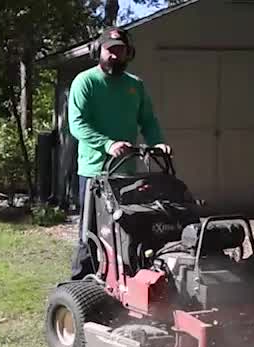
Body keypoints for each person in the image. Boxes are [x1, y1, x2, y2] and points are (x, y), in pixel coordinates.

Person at [67, 26, 171, 280]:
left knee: (131, 228)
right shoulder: (85, 81)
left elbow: (148, 120)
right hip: (95, 171)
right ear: (98, 51)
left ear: (128, 53)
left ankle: (127, 282)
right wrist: (107, 144)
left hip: (127, 172)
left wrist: (158, 143)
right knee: (91, 232)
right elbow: (77, 124)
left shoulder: (135, 85)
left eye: (120, 51)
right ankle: (81, 284)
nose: (114, 55)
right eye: (109, 50)